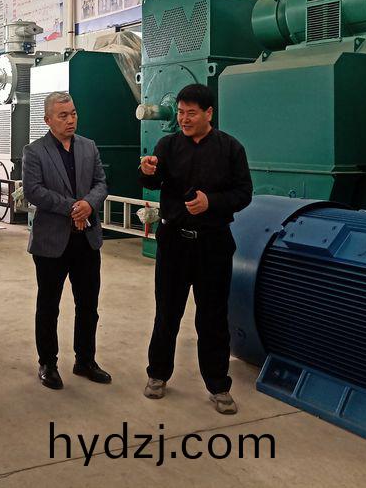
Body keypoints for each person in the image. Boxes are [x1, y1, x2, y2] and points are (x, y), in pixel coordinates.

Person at [138, 83, 252, 414]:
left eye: (191, 113)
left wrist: (211, 202)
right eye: (180, 113)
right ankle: (158, 374)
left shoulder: (230, 149)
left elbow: (243, 193)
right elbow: (152, 181)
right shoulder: (168, 145)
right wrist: (146, 170)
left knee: (212, 317)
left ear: (208, 113)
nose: (184, 119)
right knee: (167, 312)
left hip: (213, 244)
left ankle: (218, 385)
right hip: (174, 242)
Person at [22, 92, 110, 390]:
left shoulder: (88, 147)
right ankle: (48, 363)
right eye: (63, 115)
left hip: (86, 240)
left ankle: (85, 360)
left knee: (88, 304)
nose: (70, 119)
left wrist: (89, 204)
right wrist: (74, 207)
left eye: (73, 113)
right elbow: (34, 191)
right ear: (48, 120)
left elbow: (100, 183)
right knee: (49, 305)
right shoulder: (35, 151)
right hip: (52, 242)